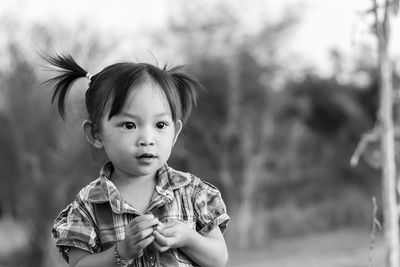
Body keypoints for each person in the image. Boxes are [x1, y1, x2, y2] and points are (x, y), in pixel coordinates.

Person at [45, 54, 229, 267]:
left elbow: (219, 258)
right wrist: (121, 251)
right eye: (129, 125)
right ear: (96, 134)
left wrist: (188, 238)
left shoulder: (193, 192)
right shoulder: (88, 205)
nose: (147, 139)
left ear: (175, 132)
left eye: (160, 125)